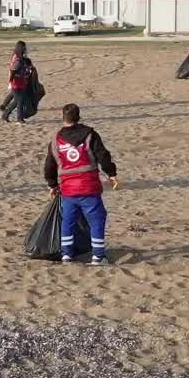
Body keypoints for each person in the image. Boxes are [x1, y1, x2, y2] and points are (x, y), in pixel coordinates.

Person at [43, 103, 118, 265]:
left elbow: (49, 164)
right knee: (97, 219)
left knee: (68, 221)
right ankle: (98, 256)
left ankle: (66, 254)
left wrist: (52, 185)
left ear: (63, 118)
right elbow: (103, 156)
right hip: (89, 187)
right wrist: (111, 174)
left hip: (68, 190)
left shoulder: (56, 140)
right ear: (78, 117)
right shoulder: (90, 135)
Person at [1, 40, 37, 122]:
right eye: (24, 48)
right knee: (18, 101)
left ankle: (9, 114)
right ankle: (14, 117)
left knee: (18, 100)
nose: (25, 49)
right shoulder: (18, 60)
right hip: (17, 84)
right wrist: (10, 82)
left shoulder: (19, 57)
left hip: (21, 83)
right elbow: (13, 71)